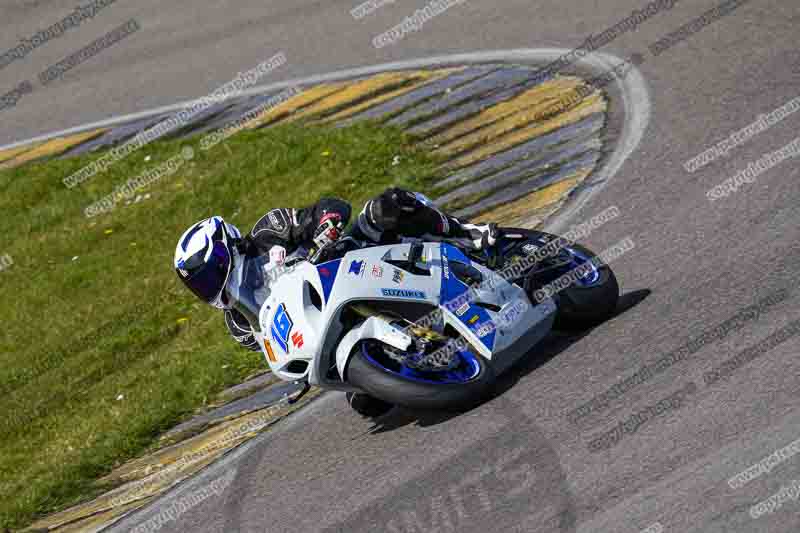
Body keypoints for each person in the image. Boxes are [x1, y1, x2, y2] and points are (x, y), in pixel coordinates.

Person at [173, 187, 498, 352]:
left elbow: (330, 208)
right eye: (198, 284)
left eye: (207, 274)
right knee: (368, 404)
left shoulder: (266, 232)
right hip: (335, 325)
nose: (207, 285)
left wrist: (326, 225)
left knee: (385, 207)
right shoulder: (238, 323)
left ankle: (466, 234)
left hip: (352, 261)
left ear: (223, 250)